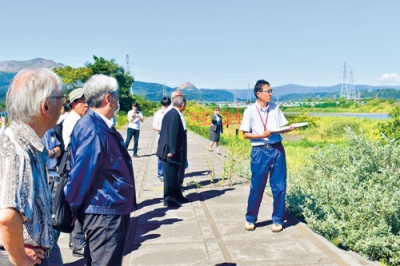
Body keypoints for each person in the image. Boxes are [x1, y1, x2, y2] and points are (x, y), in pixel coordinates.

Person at [65, 74, 137, 266]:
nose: (118, 100)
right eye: (117, 96)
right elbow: (80, 174)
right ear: (108, 99)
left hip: (106, 207)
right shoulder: (94, 129)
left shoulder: (98, 125)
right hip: (104, 210)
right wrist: (71, 210)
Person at [0, 68, 64, 265]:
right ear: (45, 106)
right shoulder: (18, 149)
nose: (63, 107)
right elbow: (7, 216)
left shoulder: (26, 143)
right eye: (61, 99)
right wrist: (19, 257)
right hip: (24, 258)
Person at [239, 79, 294, 233]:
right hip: (260, 151)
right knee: (257, 186)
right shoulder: (249, 111)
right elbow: (245, 135)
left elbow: (280, 127)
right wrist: (261, 135)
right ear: (258, 93)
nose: (270, 94)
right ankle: (250, 218)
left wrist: (287, 130)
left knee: (279, 186)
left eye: (271, 91)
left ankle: (278, 219)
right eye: (268, 91)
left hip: (277, 149)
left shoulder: (275, 108)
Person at [62, 87, 89, 258]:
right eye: (82, 101)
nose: (86, 105)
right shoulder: (74, 121)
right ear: (73, 104)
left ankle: (76, 241)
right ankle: (78, 243)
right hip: (75, 167)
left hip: (75, 167)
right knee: (78, 205)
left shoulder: (77, 118)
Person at [156, 95, 189, 208]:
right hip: (169, 151)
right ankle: (169, 199)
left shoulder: (170, 112)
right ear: (183, 105)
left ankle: (177, 195)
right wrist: (172, 150)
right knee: (170, 177)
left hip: (168, 149)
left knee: (175, 176)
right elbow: (172, 134)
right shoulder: (174, 114)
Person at [40, 128, 63, 265]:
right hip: (45, 179)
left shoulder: (50, 129)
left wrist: (52, 152)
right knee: (51, 228)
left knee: (56, 223)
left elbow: (58, 148)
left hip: (55, 175)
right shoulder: (33, 129)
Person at [153, 96, 171, 182]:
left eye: (167, 105)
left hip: (170, 136)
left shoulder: (172, 113)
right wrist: (163, 129)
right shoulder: (158, 113)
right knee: (161, 155)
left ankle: (168, 173)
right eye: (165, 105)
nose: (166, 107)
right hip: (161, 136)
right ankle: (160, 173)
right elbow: (154, 126)